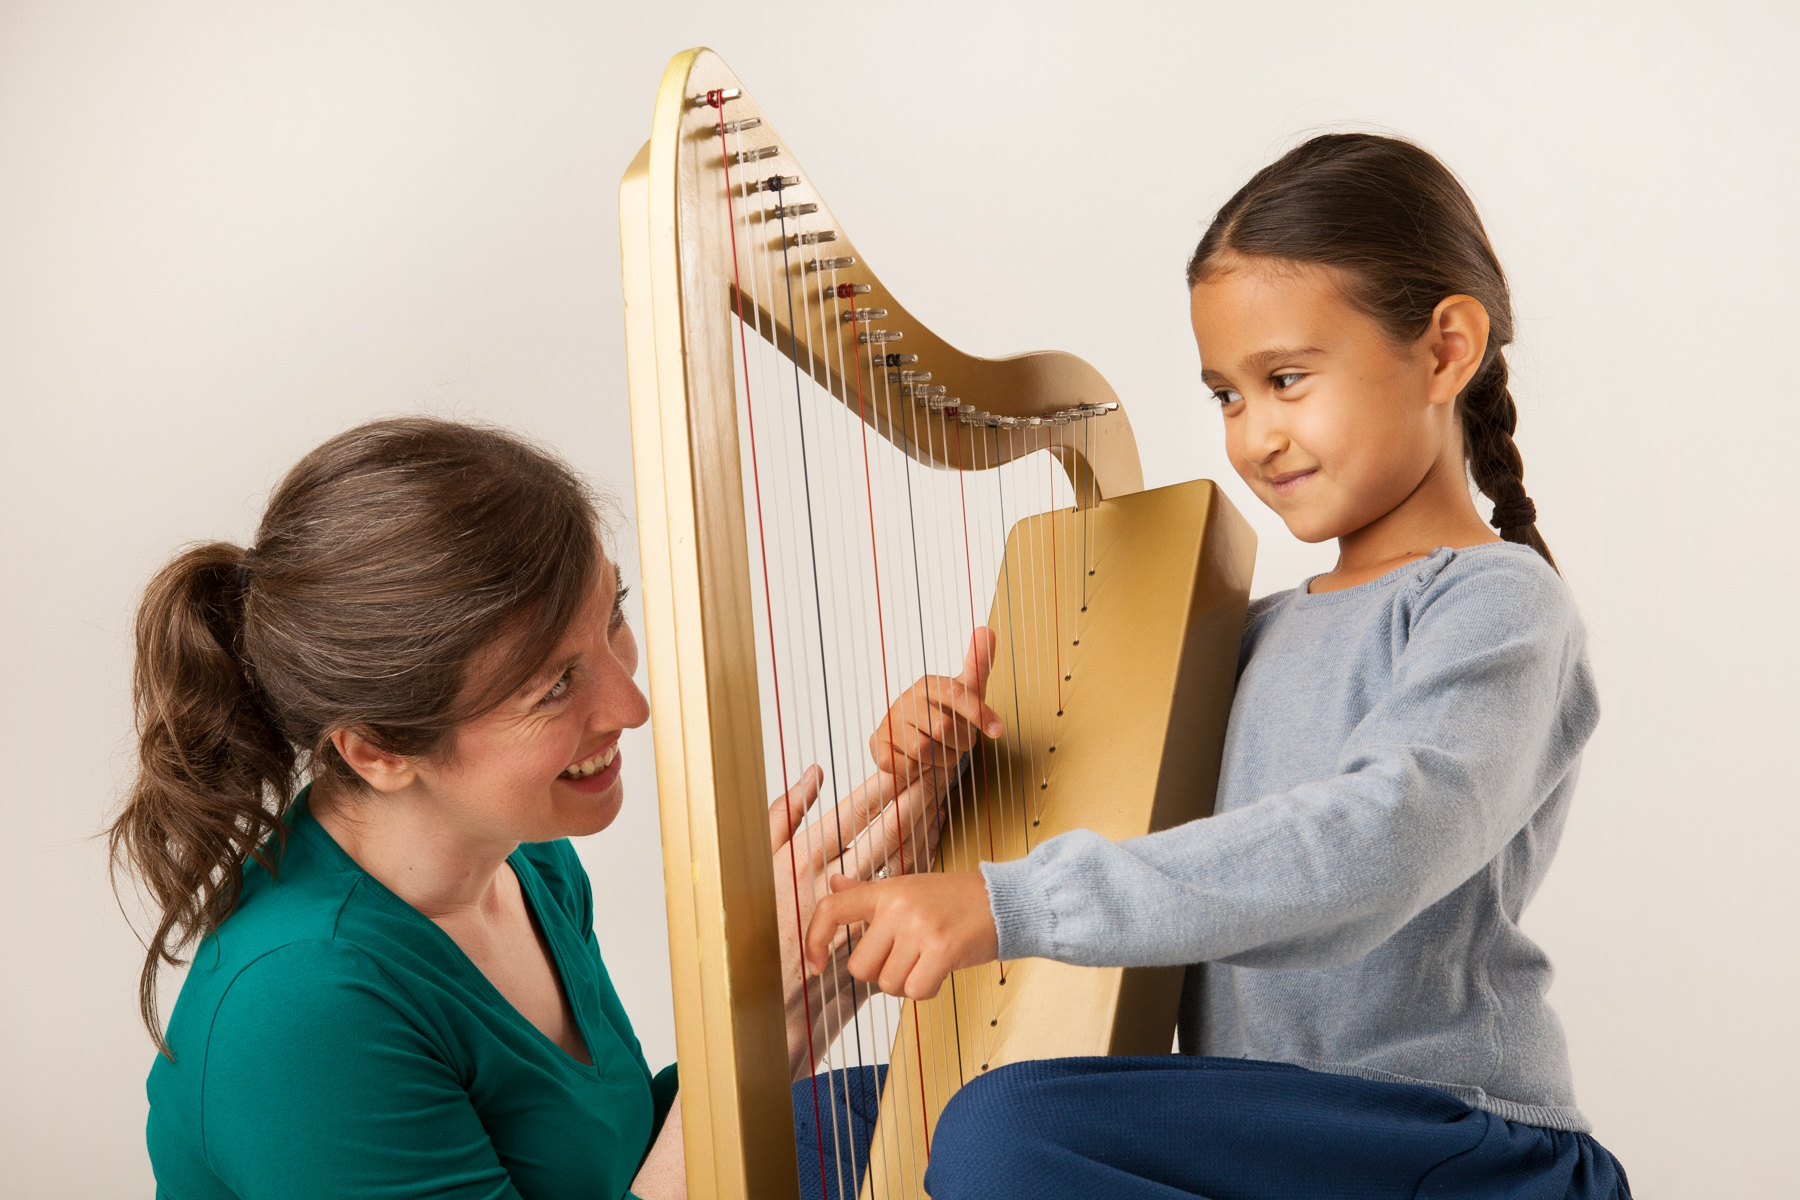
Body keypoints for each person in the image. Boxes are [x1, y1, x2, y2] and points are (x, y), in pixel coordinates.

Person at [806, 133, 1633, 1198]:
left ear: (1445, 351)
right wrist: (967, 764)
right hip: (1255, 1127)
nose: (1255, 436)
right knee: (817, 1128)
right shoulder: (1240, 636)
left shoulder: (1496, 602)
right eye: (1228, 397)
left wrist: (1009, 902)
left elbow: (1372, 845)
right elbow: (1155, 849)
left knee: (1004, 1134)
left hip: (1451, 1142)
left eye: (1286, 379)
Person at [110, 417, 999, 1200]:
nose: (630, 705)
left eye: (612, 616)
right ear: (377, 749)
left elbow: (607, 1166)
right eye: (553, 686)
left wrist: (821, 947)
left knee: (1008, 1126)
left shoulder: (523, 858)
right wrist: (744, 1028)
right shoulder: (300, 1010)